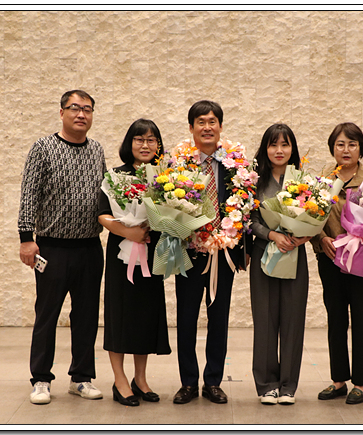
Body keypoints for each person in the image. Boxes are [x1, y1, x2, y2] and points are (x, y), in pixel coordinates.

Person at [18, 90, 106, 405]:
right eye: (74, 108)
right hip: (52, 249)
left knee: (86, 316)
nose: (81, 114)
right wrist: (26, 238)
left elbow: (106, 194)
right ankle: (41, 379)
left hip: (90, 247)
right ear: (61, 112)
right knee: (47, 314)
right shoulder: (43, 147)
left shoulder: (97, 149)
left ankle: (81, 378)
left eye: (87, 109)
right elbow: (29, 192)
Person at [172, 100, 247, 405]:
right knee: (186, 318)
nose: (207, 127)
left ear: (220, 126)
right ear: (191, 128)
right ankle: (188, 382)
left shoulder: (234, 165)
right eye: (200, 122)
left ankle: (213, 381)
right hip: (190, 252)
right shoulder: (180, 165)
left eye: (212, 121)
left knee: (219, 319)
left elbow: (245, 204)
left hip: (223, 252)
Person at [311, 123, 363, 405]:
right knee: (335, 317)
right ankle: (338, 380)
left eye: (352, 144)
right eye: (340, 144)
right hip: (331, 257)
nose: (346, 150)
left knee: (361, 316)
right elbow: (309, 214)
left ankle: (361, 382)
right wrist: (320, 238)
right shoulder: (323, 179)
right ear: (332, 148)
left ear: (361, 148)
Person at [97, 119, 171, 407]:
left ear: (158, 145)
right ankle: (120, 380)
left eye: (151, 139)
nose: (145, 145)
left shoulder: (165, 177)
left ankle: (141, 379)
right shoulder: (115, 176)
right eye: (139, 139)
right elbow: (103, 214)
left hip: (151, 253)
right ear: (130, 143)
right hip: (122, 252)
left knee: (145, 315)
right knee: (120, 314)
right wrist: (128, 231)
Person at [249, 124, 311, 405]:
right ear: (265, 149)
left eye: (285, 144)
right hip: (264, 252)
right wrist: (272, 234)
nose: (279, 150)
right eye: (273, 144)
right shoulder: (253, 180)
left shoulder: (303, 180)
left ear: (292, 149)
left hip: (295, 255)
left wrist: (303, 236)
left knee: (292, 320)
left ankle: (288, 385)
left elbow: (315, 215)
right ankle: (266, 385)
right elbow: (248, 220)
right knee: (264, 319)